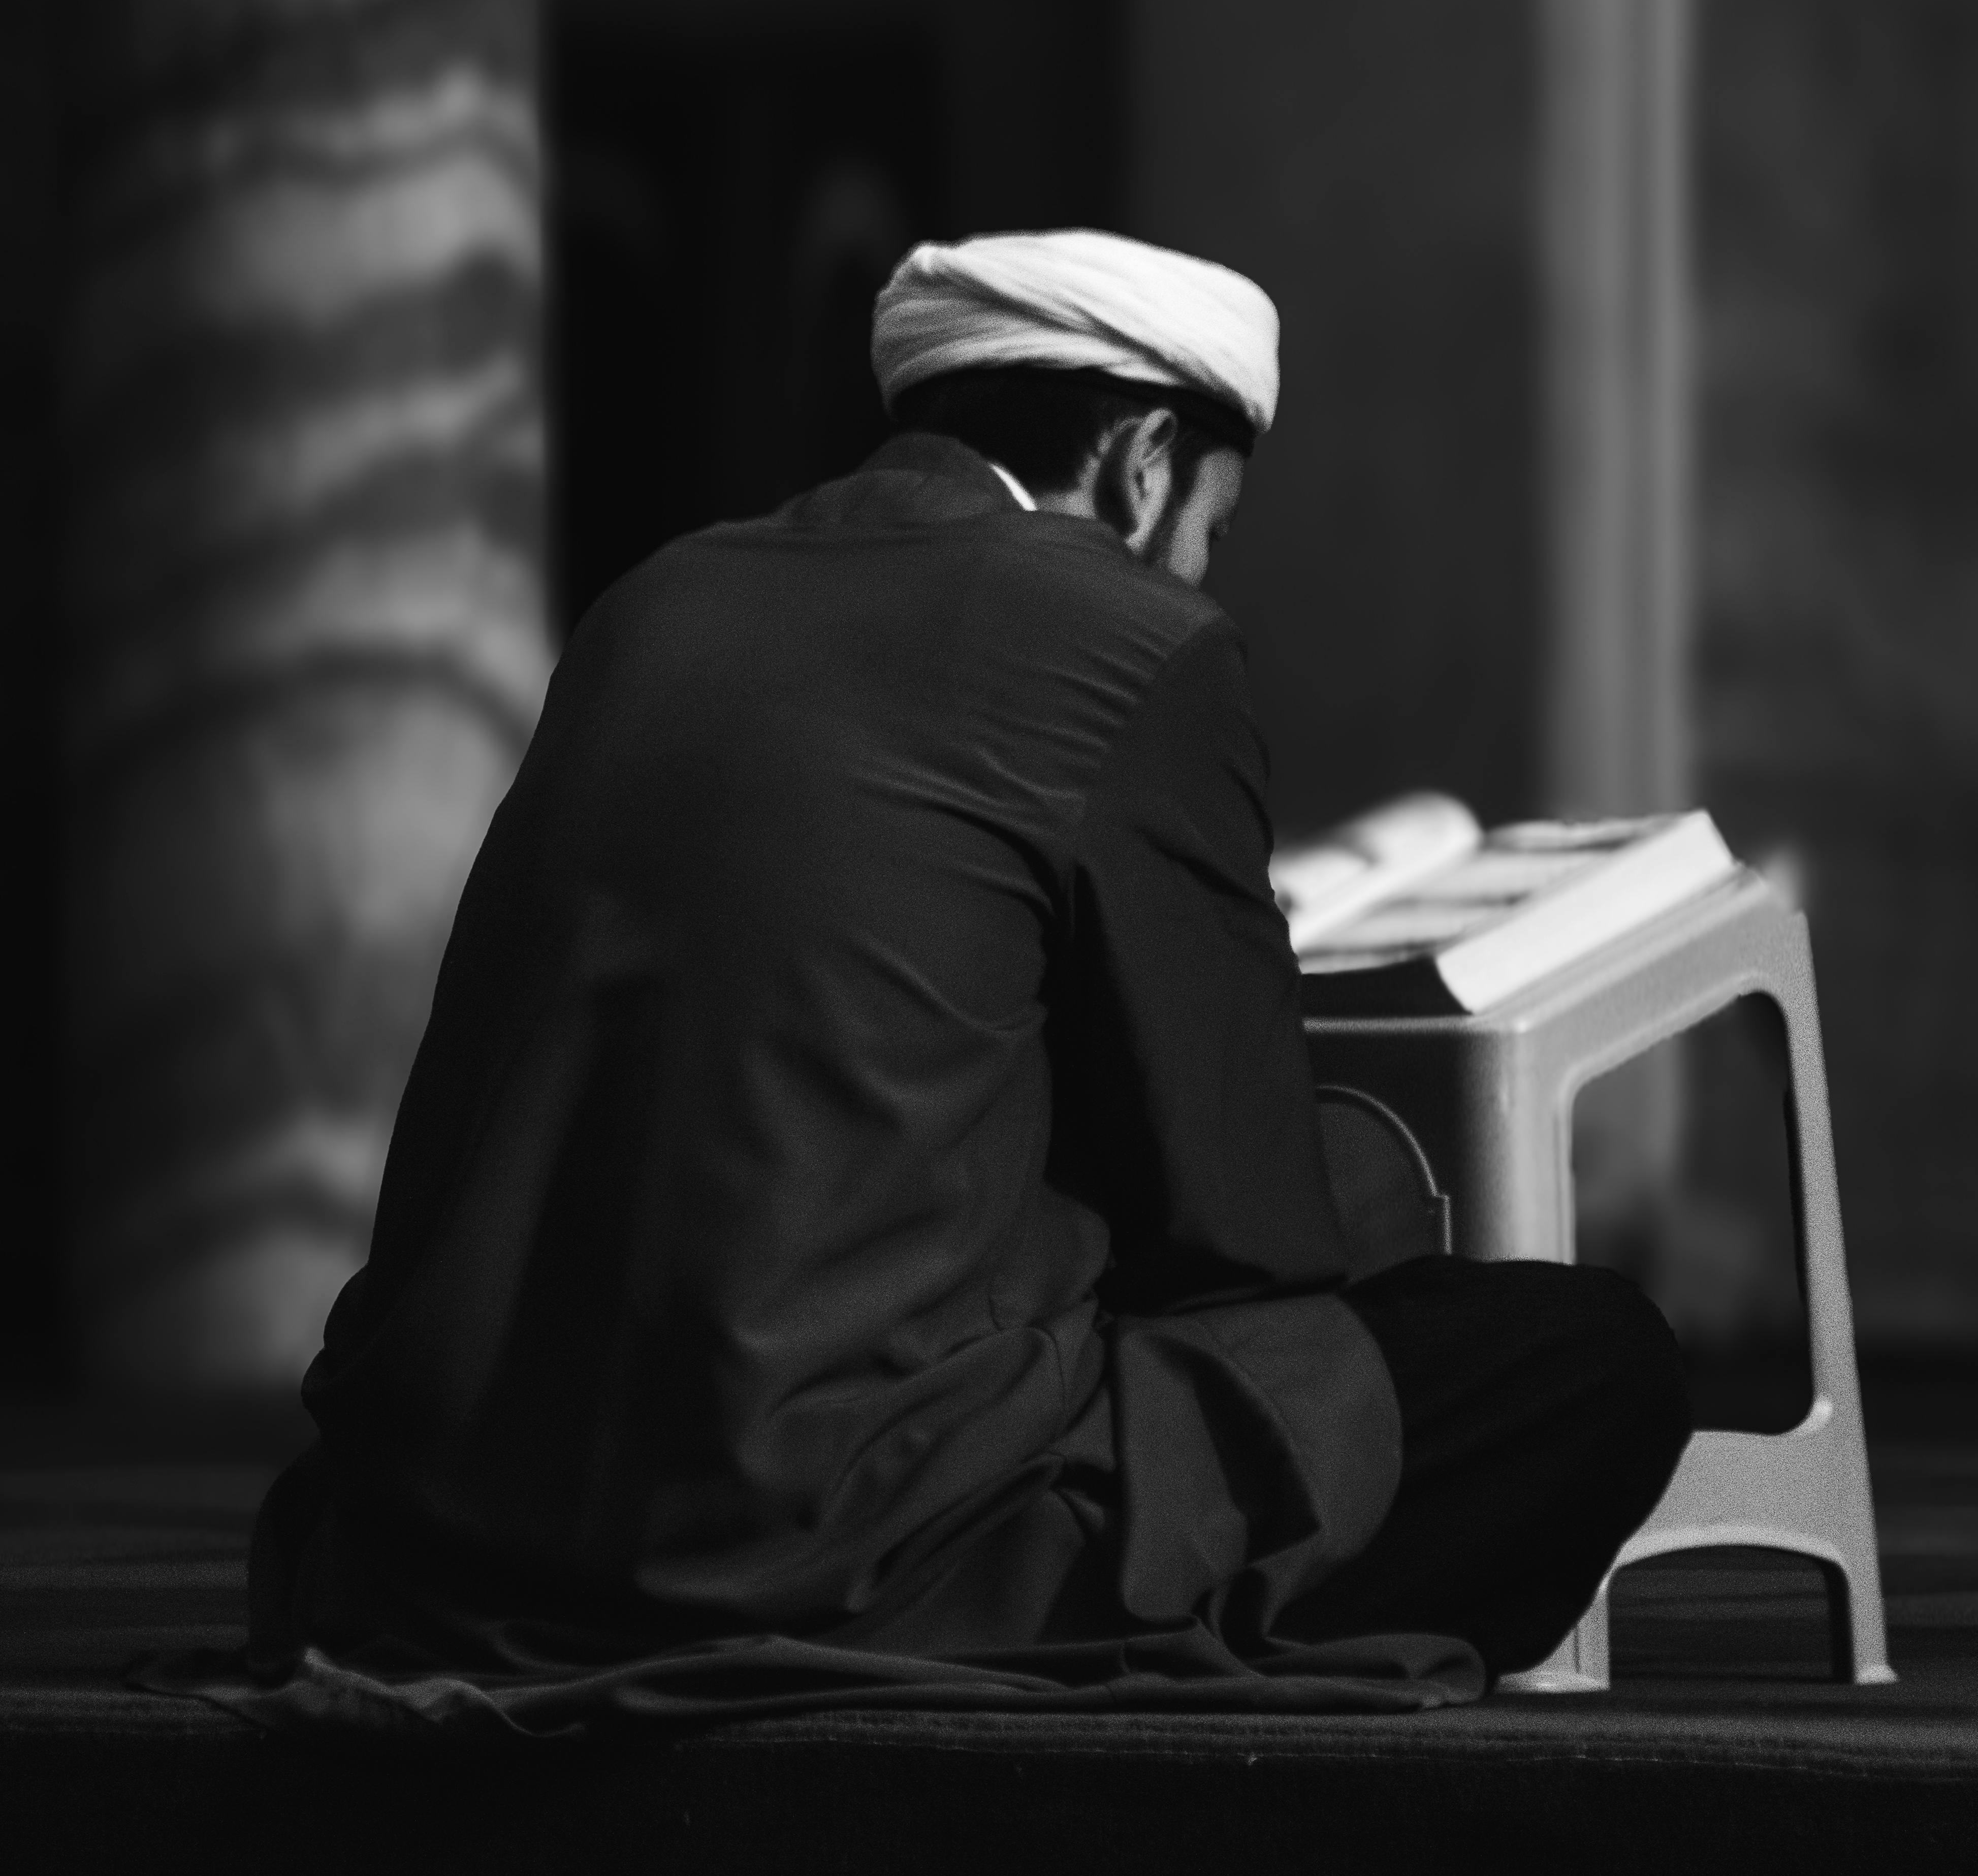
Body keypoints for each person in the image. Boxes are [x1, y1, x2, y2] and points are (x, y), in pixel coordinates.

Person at [245, 228, 1691, 1727]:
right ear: (1143, 462)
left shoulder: (652, 604)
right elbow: (1240, 1233)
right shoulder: (1132, 635)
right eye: (1216, 526)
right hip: (824, 1522)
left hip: (446, 1523)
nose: (1204, 566)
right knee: (1586, 1368)